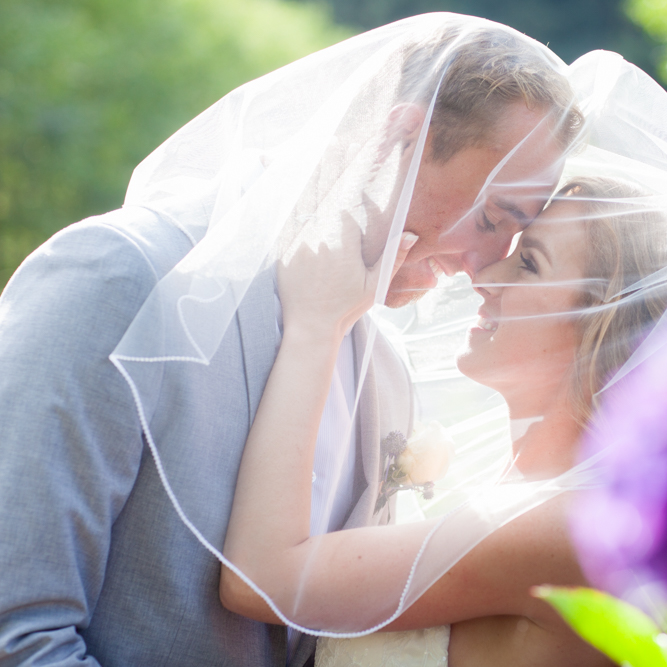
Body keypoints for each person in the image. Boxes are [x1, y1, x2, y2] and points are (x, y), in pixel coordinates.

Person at [0, 15, 580, 667]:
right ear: (401, 140)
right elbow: (18, 632)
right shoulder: (118, 277)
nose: (484, 265)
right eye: (492, 217)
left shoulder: (385, 369)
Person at [220, 177, 667, 666]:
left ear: (605, 328)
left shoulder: (566, 525)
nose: (481, 274)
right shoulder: (538, 497)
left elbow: (258, 578)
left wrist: (316, 325)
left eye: (528, 262)